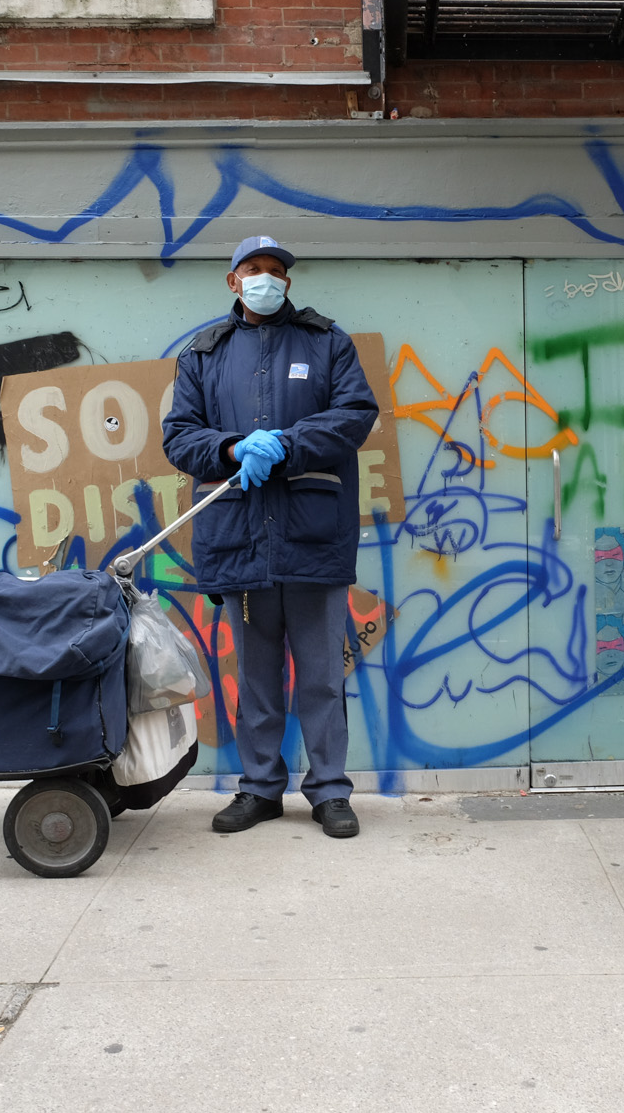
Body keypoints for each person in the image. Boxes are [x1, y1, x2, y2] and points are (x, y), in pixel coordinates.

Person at [162, 236, 378, 839]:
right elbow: (179, 437)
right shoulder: (204, 355)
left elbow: (355, 415)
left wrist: (286, 442)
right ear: (233, 281)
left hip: (314, 537)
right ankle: (259, 789)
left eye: (277, 271)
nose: (267, 279)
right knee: (256, 681)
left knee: (320, 678)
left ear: (288, 281)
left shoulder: (325, 341)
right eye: (254, 270)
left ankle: (330, 791)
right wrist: (231, 447)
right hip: (238, 536)